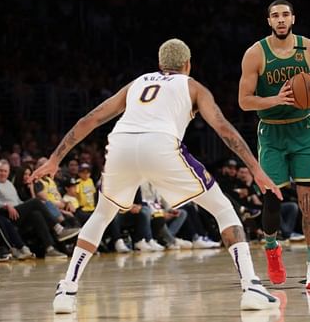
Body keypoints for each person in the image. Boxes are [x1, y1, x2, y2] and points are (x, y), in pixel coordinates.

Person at [31, 38, 283, 314]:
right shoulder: (193, 86)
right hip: (161, 145)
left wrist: (55, 159)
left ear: (161, 64)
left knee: (102, 215)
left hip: (121, 144)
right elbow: (223, 129)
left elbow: (90, 119)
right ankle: (251, 287)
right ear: (188, 65)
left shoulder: (137, 83)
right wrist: (256, 169)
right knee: (223, 209)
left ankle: (66, 290)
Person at [238, 0, 310, 288]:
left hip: (303, 131)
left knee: (307, 201)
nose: (280, 20)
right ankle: (271, 248)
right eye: (275, 16)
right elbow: (244, 101)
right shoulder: (255, 54)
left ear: (293, 18)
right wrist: (276, 99)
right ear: (269, 21)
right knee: (272, 199)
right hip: (271, 132)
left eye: (285, 15)